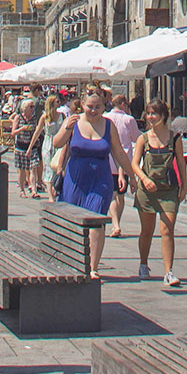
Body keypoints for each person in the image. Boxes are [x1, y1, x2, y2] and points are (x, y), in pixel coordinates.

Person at [54, 88, 129, 279]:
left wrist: (132, 175)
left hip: (100, 181)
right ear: (82, 106)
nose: (93, 111)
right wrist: (68, 128)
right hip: (75, 180)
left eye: (97, 107)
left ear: (104, 107)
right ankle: (72, 261)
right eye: (89, 107)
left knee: (96, 222)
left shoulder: (109, 125)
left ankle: (93, 268)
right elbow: (57, 142)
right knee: (72, 220)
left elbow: (118, 152)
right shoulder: (73, 121)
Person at [130, 100, 186, 286]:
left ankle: (168, 272)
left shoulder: (175, 139)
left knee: (167, 229)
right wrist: (144, 179)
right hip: (147, 191)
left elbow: (180, 163)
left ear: (163, 116)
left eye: (154, 113)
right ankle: (143, 263)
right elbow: (134, 163)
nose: (150, 117)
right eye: (148, 113)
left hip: (168, 189)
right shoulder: (143, 139)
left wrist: (184, 186)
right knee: (147, 231)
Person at [104, 93, 140, 239]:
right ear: (124, 105)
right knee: (120, 195)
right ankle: (116, 223)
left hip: (108, 160)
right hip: (124, 162)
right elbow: (136, 137)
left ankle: (115, 224)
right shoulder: (128, 119)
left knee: (112, 195)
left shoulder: (106, 118)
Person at [11, 99, 42, 198]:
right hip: (21, 146)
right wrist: (22, 128)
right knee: (22, 169)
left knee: (33, 168)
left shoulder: (34, 118)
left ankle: (33, 190)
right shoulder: (18, 118)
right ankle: (22, 190)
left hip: (32, 146)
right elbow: (13, 132)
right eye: (31, 107)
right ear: (25, 108)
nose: (33, 109)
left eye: (33, 107)